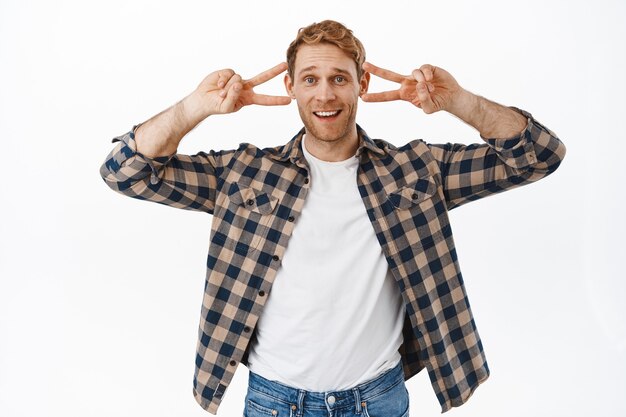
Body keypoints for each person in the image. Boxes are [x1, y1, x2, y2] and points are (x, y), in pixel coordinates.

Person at [100, 20, 566, 417]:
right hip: (272, 400)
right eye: (310, 79)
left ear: (361, 84)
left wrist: (459, 101)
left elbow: (539, 156)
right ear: (291, 87)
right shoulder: (243, 174)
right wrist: (194, 107)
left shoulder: (417, 170)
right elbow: (125, 172)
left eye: (340, 79)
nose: (325, 94)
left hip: (378, 398)